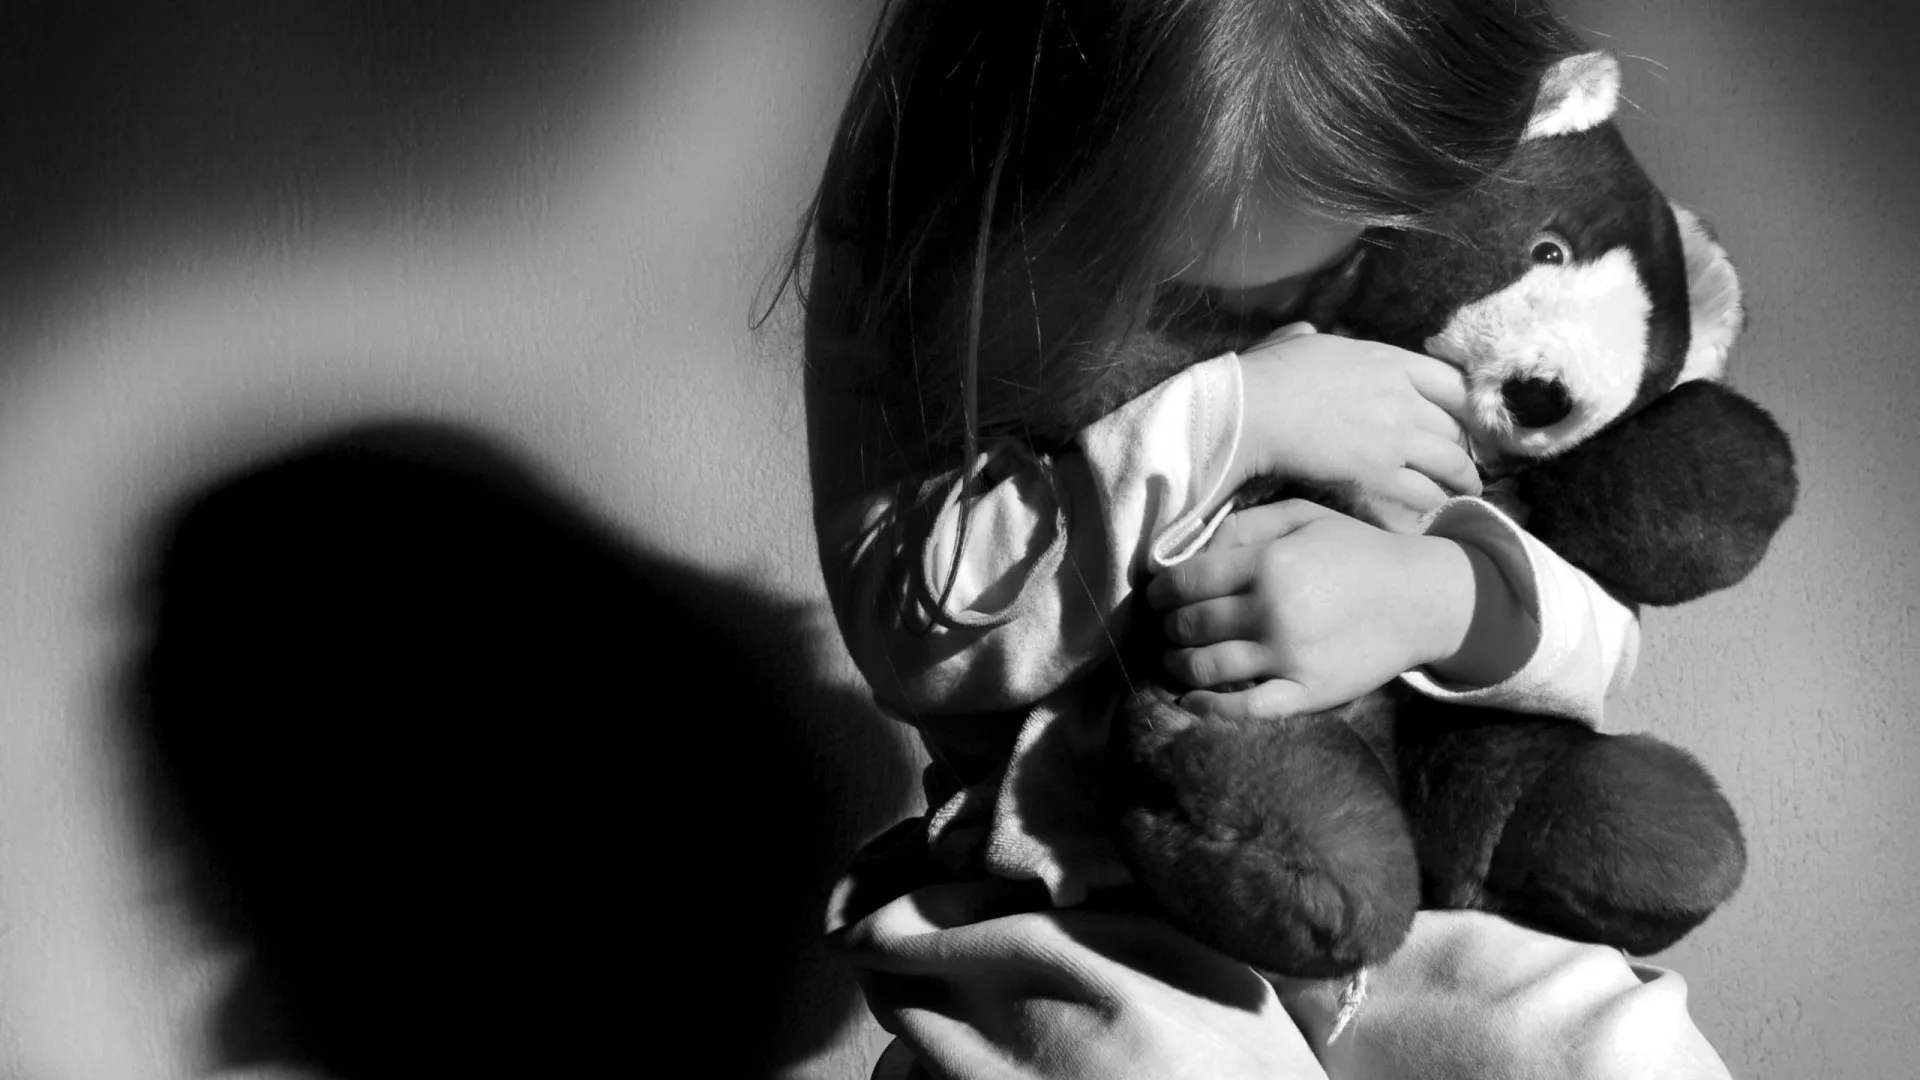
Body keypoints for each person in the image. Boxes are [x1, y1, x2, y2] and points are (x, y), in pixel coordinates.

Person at [788, 1, 1733, 1076]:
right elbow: (917, 629)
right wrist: (1238, 417)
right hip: (1072, 883)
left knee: (1609, 1045)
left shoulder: (1464, 198)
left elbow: (1602, 625)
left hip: (1402, 858)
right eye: (1185, 287)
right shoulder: (938, 243)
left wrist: (1436, 597)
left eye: (1348, 243)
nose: (1286, 305)